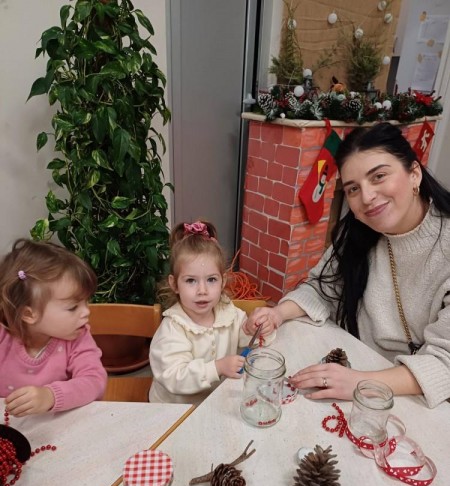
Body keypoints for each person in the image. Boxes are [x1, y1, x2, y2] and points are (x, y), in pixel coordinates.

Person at [247, 122, 450, 409]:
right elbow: (322, 287)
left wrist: (359, 382)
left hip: (411, 396)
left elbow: (445, 363)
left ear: (414, 173)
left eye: (379, 176)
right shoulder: (360, 234)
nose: (367, 197)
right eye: (353, 189)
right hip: (354, 367)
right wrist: (277, 313)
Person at [149, 221, 273, 404]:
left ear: (223, 281)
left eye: (211, 280)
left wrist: (255, 328)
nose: (202, 290)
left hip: (214, 401)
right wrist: (217, 368)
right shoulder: (173, 328)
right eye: (191, 281)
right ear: (174, 284)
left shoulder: (228, 311)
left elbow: (250, 342)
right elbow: (174, 377)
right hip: (176, 408)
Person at [0, 239, 107, 416]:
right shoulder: (4, 337)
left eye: (86, 302)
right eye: (73, 307)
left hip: (60, 424)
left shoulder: (78, 337)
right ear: (28, 314)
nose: (86, 312)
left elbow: (95, 382)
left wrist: (51, 396)